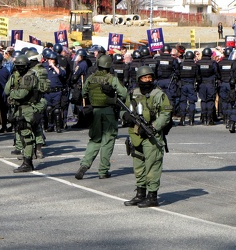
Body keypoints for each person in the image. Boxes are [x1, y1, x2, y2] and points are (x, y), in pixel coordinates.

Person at [121, 66, 172, 208]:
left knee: (152, 166)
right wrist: (125, 116)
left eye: (150, 78)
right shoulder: (133, 93)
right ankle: (140, 194)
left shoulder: (158, 94)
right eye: (144, 78)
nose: (147, 80)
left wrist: (153, 127)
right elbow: (123, 109)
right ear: (139, 79)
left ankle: (152, 196)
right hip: (136, 135)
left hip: (152, 135)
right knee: (138, 167)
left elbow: (166, 115)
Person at [75, 55, 127, 180]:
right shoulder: (112, 79)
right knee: (108, 141)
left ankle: (84, 165)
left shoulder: (91, 78)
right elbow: (124, 93)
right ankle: (103, 170)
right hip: (108, 111)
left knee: (94, 140)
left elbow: (84, 93)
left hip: (95, 111)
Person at [4, 55, 46, 172]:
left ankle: (27, 162)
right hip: (21, 109)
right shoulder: (17, 76)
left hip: (28, 109)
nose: (19, 69)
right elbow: (6, 90)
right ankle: (28, 160)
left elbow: (20, 94)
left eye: (20, 67)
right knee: (23, 136)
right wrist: (13, 78)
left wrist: (13, 94)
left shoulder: (28, 77)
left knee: (27, 136)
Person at [196, 47, 221, 125]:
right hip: (210, 84)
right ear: (210, 54)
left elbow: (197, 74)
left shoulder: (198, 63)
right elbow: (217, 74)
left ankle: (204, 118)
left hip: (201, 84)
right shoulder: (213, 63)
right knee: (210, 101)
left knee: (203, 100)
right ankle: (210, 119)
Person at [178, 51, 201, 126]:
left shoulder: (181, 65)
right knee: (192, 102)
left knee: (183, 102)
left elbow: (178, 74)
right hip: (191, 85)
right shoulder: (195, 66)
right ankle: (191, 120)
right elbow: (198, 76)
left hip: (183, 85)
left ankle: (182, 119)